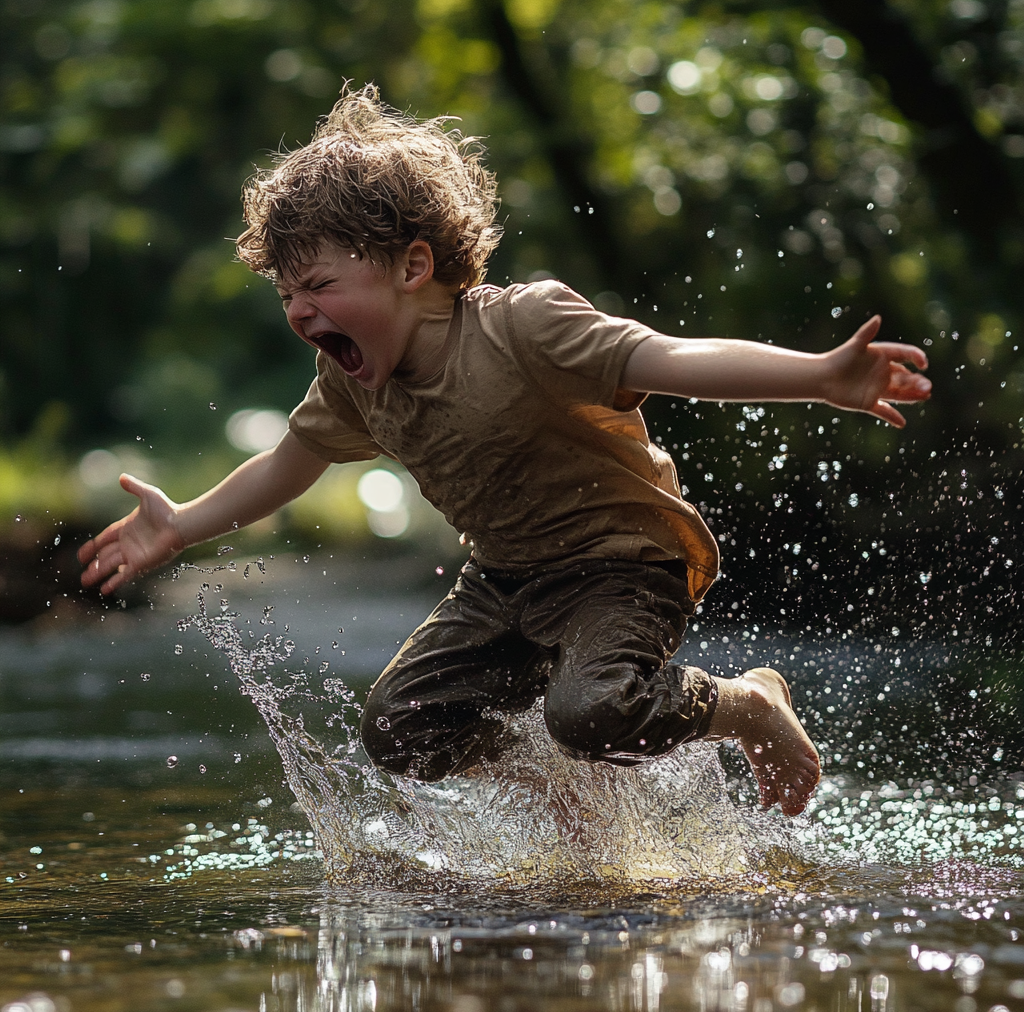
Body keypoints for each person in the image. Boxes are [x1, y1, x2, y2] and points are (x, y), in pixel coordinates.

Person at [78, 86, 931, 817]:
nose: (300, 310)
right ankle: (563, 794)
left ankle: (746, 703)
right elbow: (287, 464)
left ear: (413, 265)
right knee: (400, 729)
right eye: (288, 292)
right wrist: (184, 525)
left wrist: (820, 375)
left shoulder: (526, 326)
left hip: (621, 565)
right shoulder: (353, 381)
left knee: (592, 711)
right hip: (504, 579)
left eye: (322, 285)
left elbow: (670, 358)